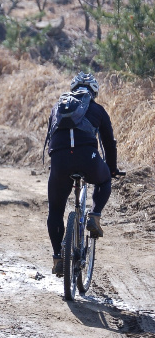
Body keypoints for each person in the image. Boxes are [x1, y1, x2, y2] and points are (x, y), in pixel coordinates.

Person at [46, 72, 120, 276]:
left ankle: (57, 257)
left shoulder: (57, 108)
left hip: (60, 161)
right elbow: (109, 143)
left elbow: (51, 138)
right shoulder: (98, 109)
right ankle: (95, 216)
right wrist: (112, 169)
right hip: (88, 158)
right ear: (93, 93)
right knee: (104, 180)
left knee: (55, 212)